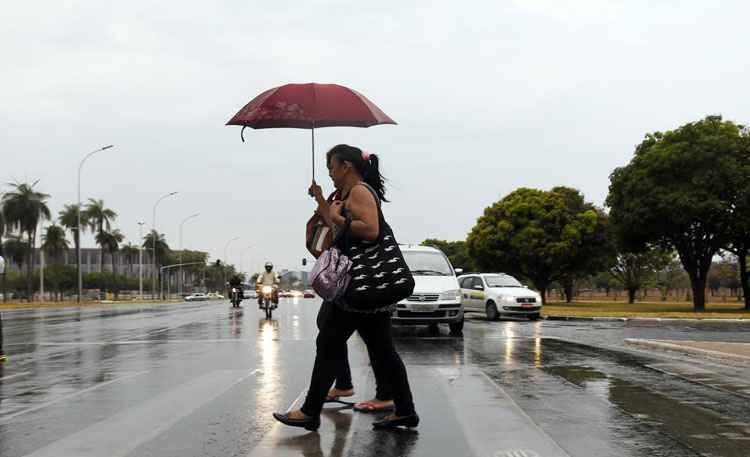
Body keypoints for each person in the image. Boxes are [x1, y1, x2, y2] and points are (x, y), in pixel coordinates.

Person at [273, 144, 418, 431]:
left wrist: (337, 215)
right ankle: (405, 410)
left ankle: (310, 411)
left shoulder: (360, 191)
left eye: (332, 167)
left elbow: (370, 229)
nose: (330, 174)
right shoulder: (347, 195)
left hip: (360, 285)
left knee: (329, 342)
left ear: (346, 167)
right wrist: (322, 202)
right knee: (382, 349)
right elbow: (339, 229)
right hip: (364, 287)